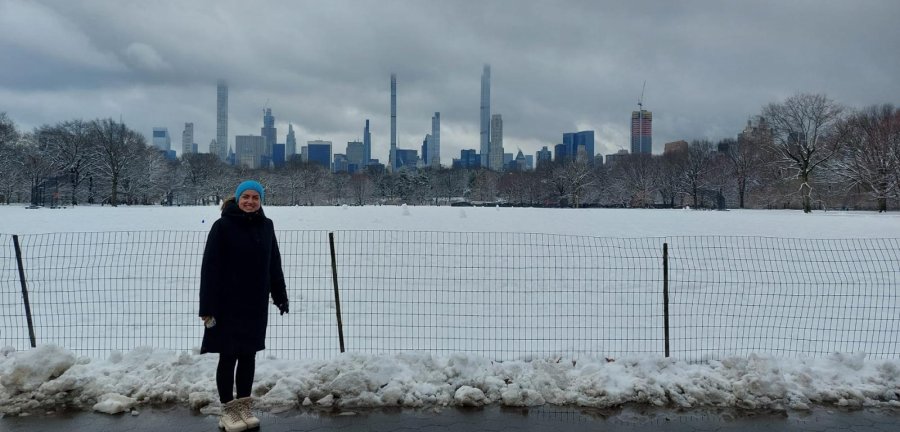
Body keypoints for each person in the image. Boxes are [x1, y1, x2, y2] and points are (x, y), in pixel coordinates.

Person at [199, 180, 289, 432]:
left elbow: (274, 264)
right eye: (245, 197)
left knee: (248, 355)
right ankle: (228, 410)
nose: (250, 201)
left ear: (261, 201)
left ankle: (244, 407)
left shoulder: (267, 226)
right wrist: (206, 307)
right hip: (226, 305)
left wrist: (280, 295)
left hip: (255, 304)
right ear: (237, 199)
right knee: (228, 356)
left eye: (255, 197)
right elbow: (210, 269)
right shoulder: (222, 226)